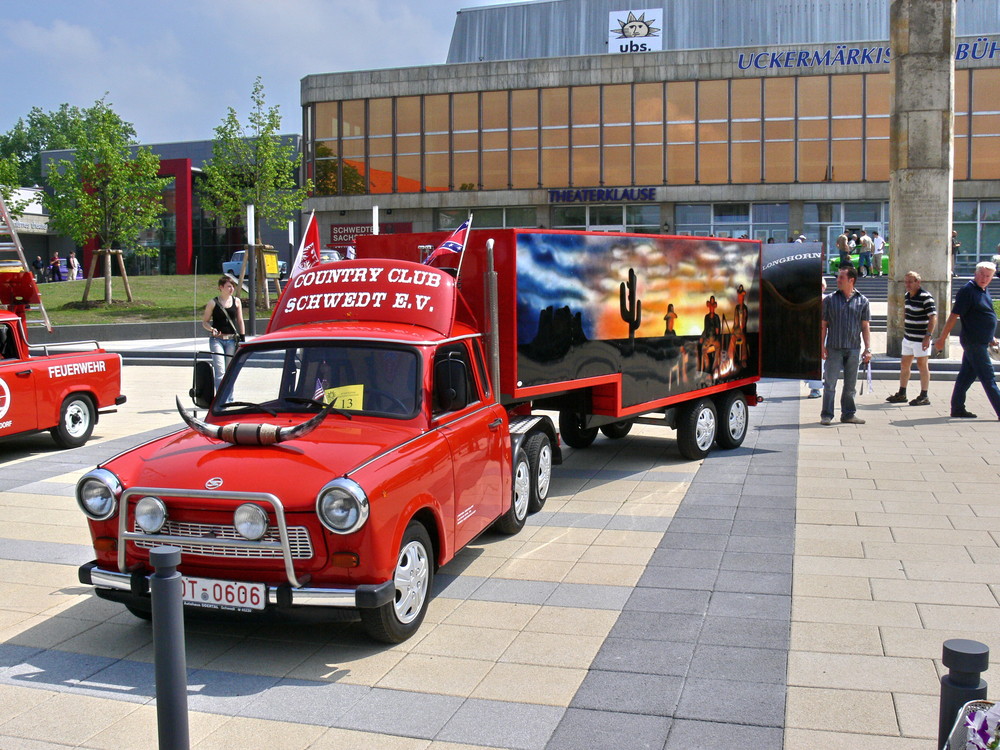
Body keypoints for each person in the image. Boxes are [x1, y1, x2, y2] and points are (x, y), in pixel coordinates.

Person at [934, 261, 1000, 419]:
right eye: (982, 274)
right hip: (974, 342)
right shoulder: (967, 291)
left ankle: (957, 408)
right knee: (988, 376)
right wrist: (942, 338)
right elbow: (953, 316)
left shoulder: (983, 290)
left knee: (966, 376)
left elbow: (983, 315)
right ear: (975, 273)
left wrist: (991, 337)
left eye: (988, 276)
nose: (984, 278)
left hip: (981, 341)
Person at [820, 265, 872, 425]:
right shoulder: (829, 300)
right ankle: (827, 415)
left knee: (851, 385)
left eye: (841, 277)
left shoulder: (862, 301)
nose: (838, 280)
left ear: (851, 280)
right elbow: (823, 324)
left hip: (854, 348)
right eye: (838, 277)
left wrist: (868, 349)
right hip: (834, 347)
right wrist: (821, 345)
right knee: (830, 383)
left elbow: (865, 326)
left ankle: (848, 414)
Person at [886, 271, 937, 406]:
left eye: (910, 282)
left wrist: (928, 336)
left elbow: (933, 317)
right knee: (904, 365)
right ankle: (902, 393)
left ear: (917, 282)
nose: (907, 284)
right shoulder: (907, 296)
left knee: (922, 365)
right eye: (906, 281)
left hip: (921, 338)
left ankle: (924, 395)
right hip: (908, 337)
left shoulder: (926, 297)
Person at [201, 276, 246, 389]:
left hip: (231, 340)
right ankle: (220, 401)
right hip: (217, 339)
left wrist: (242, 337)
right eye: (228, 286)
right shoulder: (213, 302)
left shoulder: (237, 301)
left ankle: (229, 398)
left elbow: (240, 321)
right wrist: (212, 329)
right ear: (221, 287)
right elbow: (205, 322)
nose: (231, 289)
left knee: (230, 370)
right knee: (220, 370)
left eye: (233, 287)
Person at [805, 278, 828, 398]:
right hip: (810, 333)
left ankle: (816, 388)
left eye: (822, 286)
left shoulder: (828, 300)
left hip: (824, 333)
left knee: (819, 361)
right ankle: (813, 383)